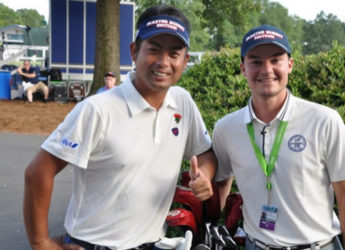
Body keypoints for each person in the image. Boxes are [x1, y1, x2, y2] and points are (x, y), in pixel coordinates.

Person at [23, 5, 217, 250]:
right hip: (93, 245)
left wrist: (205, 175)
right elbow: (38, 172)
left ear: (185, 60)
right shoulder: (98, 109)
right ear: (134, 51)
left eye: (174, 53)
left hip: (151, 243)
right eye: (154, 50)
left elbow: (204, 153)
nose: (163, 62)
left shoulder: (182, 103)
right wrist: (41, 243)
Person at [213, 25, 345, 250]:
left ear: (290, 65)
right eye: (256, 61)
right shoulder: (226, 128)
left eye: (276, 60)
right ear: (243, 68)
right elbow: (222, 181)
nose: (267, 69)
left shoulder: (324, 120)